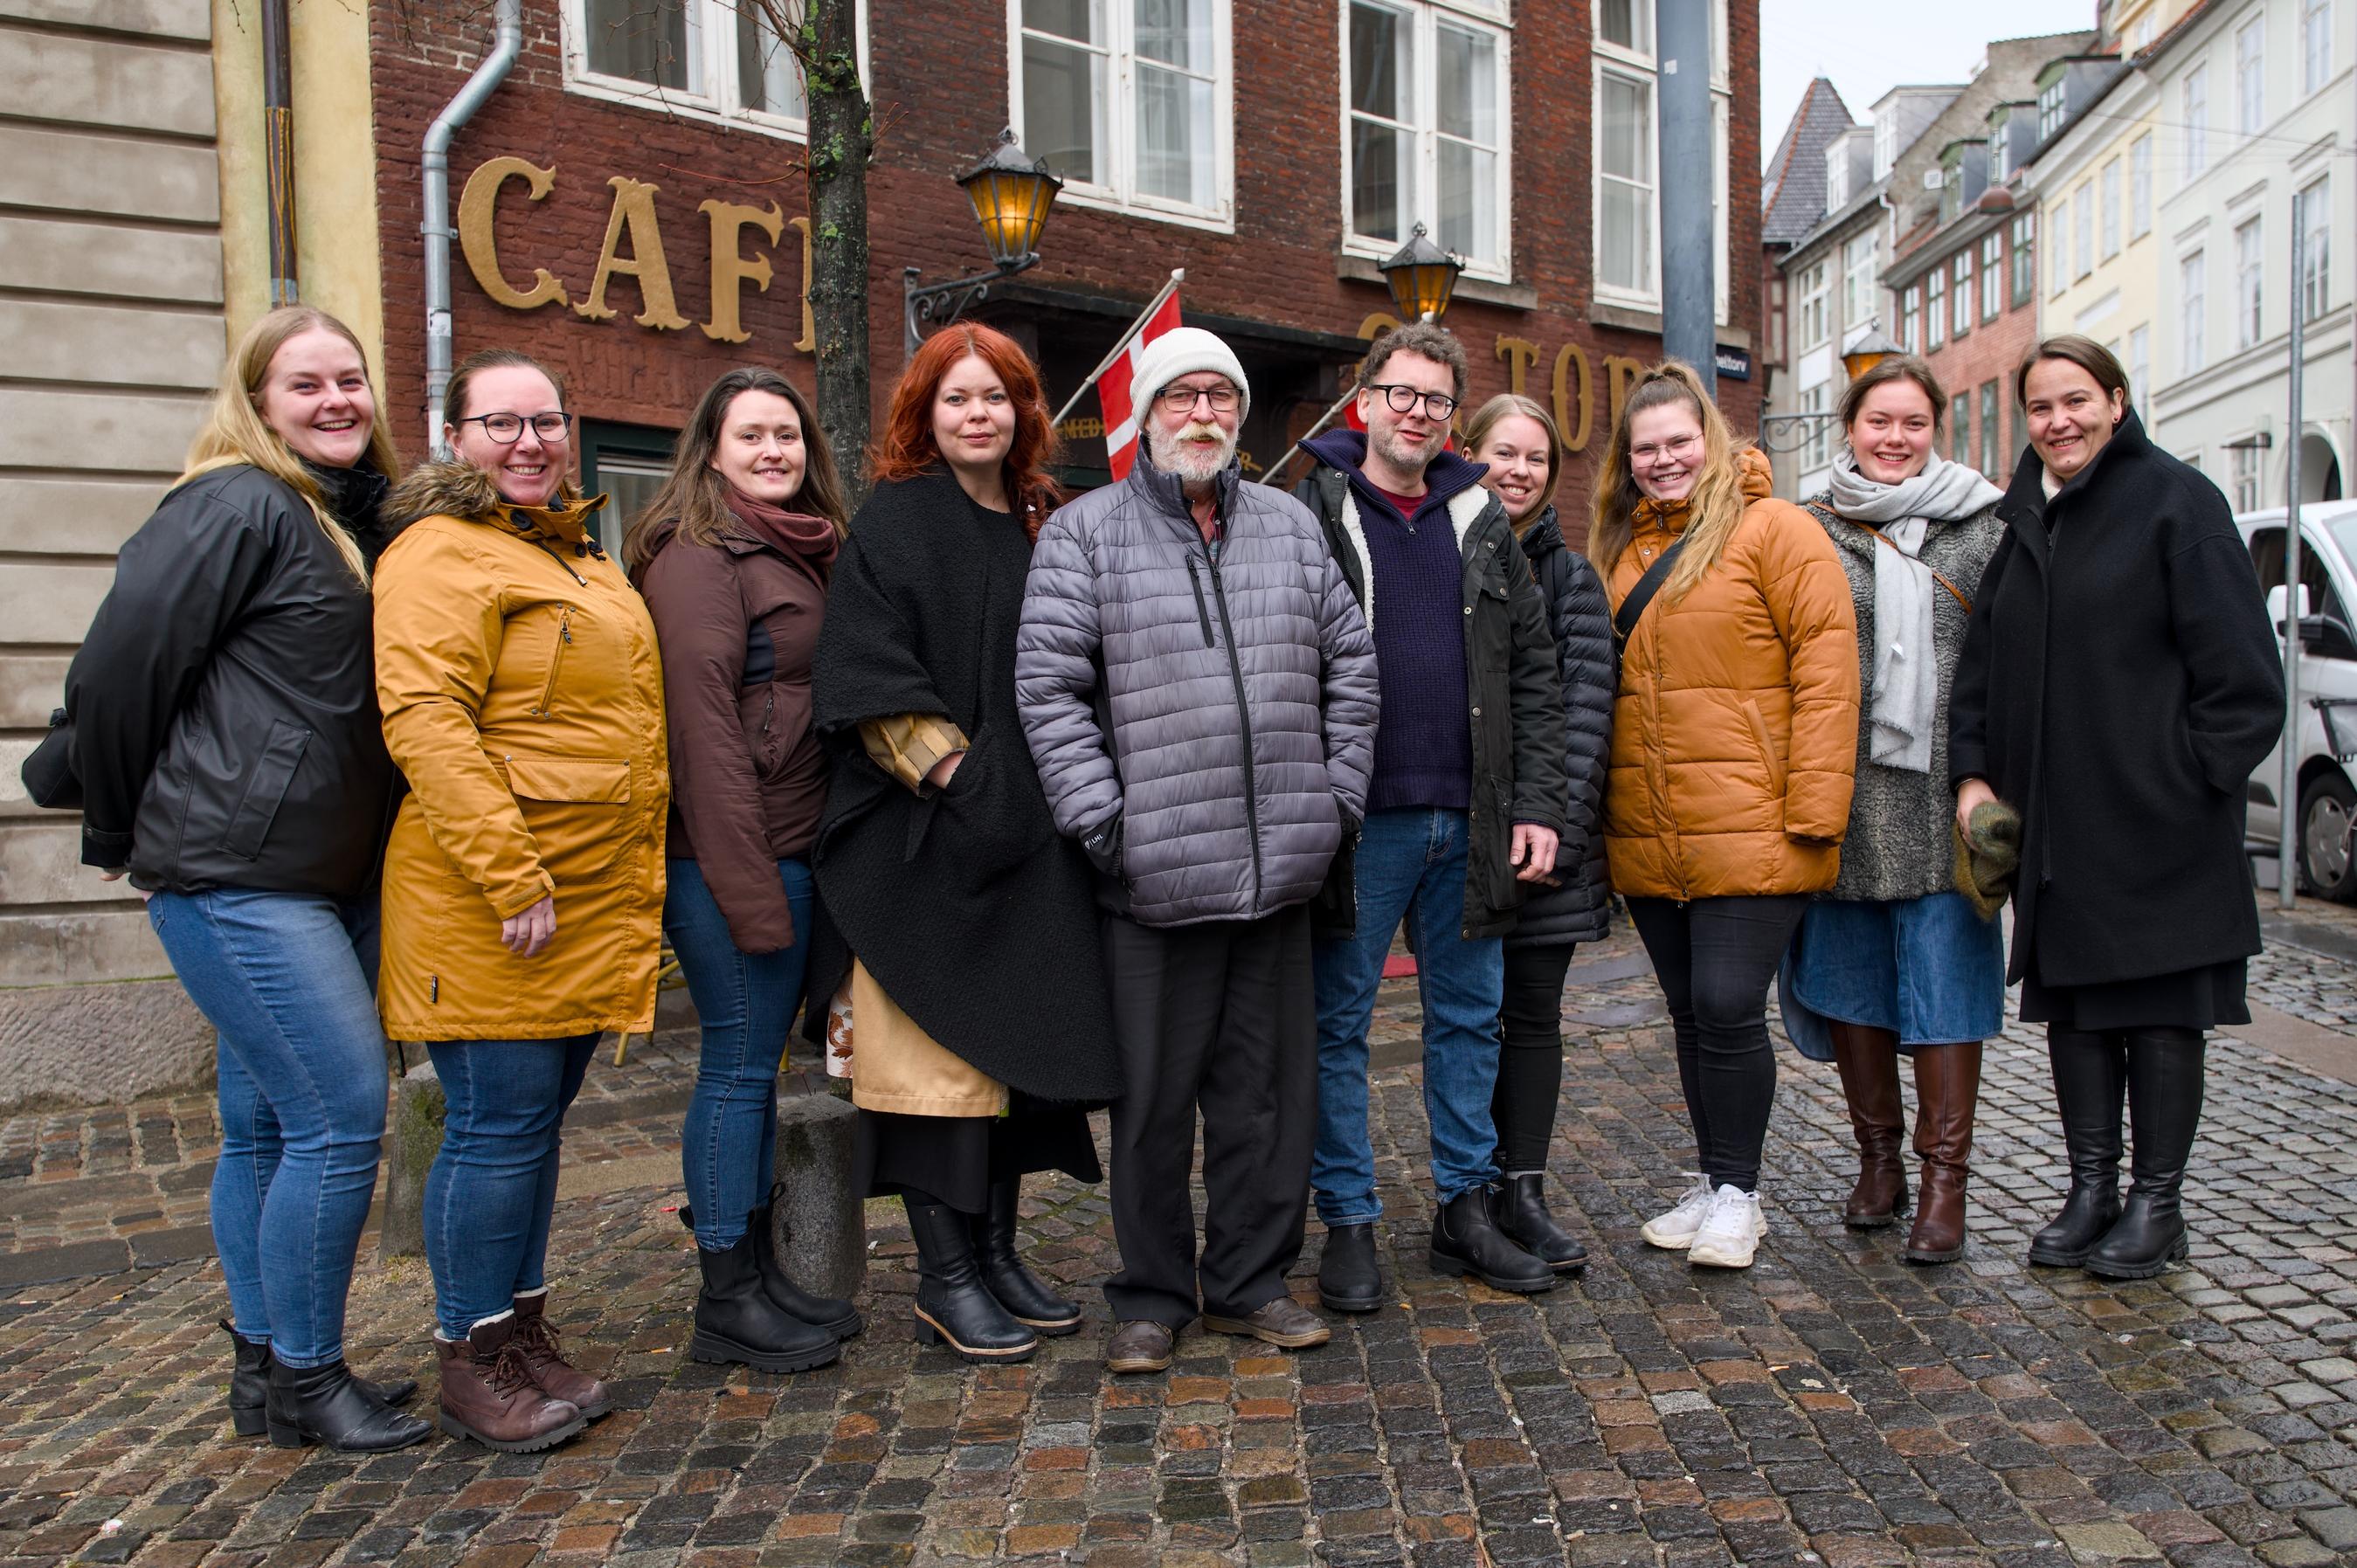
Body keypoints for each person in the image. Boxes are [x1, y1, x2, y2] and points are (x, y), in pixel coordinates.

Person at [64, 306, 428, 1453]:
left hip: (318, 871)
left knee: (267, 1127)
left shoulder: (336, 517)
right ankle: (311, 1375)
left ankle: (267, 1372)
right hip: (239, 868)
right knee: (340, 1114)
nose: (336, 400)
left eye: (351, 380)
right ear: (257, 401)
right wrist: (122, 832)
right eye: (307, 383)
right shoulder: (234, 502)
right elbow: (116, 674)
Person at [1016, 327, 1381, 1374]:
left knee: (1264, 1101)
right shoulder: (1083, 535)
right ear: (1143, 414)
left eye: (1222, 396)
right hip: (1151, 879)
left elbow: (1350, 673)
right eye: (1182, 397)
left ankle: (1251, 1282)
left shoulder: (1288, 527)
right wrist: (1106, 824)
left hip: (1280, 874)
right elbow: (1048, 692)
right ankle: (1150, 1294)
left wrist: (1335, 801)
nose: (1205, 415)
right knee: (1150, 1107)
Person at [808, 324, 1123, 1364]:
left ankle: (994, 1254)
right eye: (955, 399)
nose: (976, 415)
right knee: (938, 1071)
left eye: (995, 397)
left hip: (1035, 841)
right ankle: (944, 1280)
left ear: (1024, 411)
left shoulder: (1045, 524)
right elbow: (867, 676)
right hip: (926, 845)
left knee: (1012, 1062)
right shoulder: (896, 523)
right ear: (924, 414)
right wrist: (963, 781)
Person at [373, 349, 667, 1451]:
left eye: (546, 420)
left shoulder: (577, 556)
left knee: (534, 1132)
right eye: (501, 422)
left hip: (585, 894)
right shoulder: (438, 553)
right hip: (496, 898)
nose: (531, 441)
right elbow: (428, 724)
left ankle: (520, 1334)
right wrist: (510, 871)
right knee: (494, 1130)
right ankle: (469, 1352)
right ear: (456, 435)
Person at [1951, 335, 2281, 1280]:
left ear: (2116, 400)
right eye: (2042, 407)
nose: (2058, 421)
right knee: (2082, 1014)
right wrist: (1973, 774)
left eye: (2076, 401)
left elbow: (2245, 684)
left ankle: (2155, 1203)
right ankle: (2091, 1188)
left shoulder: (2179, 503)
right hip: (2058, 831)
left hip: (2160, 825)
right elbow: (1980, 670)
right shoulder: (2025, 521)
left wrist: (2185, 780)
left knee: (2161, 1012)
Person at [1293, 321, 1570, 1311]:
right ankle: (1349, 1220)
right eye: (1400, 394)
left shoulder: (1479, 518)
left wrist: (1536, 804)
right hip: (1360, 825)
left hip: (1471, 818)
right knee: (1337, 1026)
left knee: (1469, 1020)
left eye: (1435, 401)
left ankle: (1464, 1210)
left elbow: (1534, 673)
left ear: (1453, 418)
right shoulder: (1313, 511)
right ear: (1363, 400)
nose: (1415, 413)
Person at [1592, 361, 1858, 1272]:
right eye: (1645, 449)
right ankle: (1713, 1178)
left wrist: (1814, 811)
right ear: (1626, 464)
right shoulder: (1619, 546)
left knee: (1726, 1004)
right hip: (1650, 825)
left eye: (1678, 442)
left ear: (1711, 441)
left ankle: (1741, 1195)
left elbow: (1826, 675)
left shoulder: (1776, 530)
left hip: (1754, 822)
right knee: (1687, 1012)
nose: (1664, 461)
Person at [626, 368, 859, 1377]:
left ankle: (760, 1275)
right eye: (752, 436)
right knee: (734, 1071)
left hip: (794, 848)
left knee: (756, 1074)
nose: (774, 451)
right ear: (710, 449)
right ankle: (725, 1301)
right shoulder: (697, 555)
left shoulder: (801, 546)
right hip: (736, 859)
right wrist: (750, 890)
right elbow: (704, 735)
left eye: (788, 436)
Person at [1780, 357, 2006, 1265]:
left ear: (1935, 428)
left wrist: (1991, 778)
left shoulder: (1984, 528)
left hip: (1950, 790)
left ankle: (1943, 1182)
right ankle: (1878, 1162)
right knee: (1849, 983)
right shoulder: (1804, 527)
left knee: (1944, 983)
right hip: (1839, 792)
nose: (1894, 439)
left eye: (1913, 422)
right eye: (1879, 421)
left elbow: (2007, 661)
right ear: (1849, 426)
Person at [1462, 393, 1613, 1274]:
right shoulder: (1442, 556)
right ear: (1468, 451)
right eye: (1502, 452)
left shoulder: (1571, 579)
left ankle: (1524, 1186)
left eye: (1535, 460)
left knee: (1530, 1017)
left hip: (1545, 842)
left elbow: (1586, 715)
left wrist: (1546, 824)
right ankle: (1468, 1190)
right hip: (1458, 839)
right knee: (1466, 1020)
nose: (1517, 471)